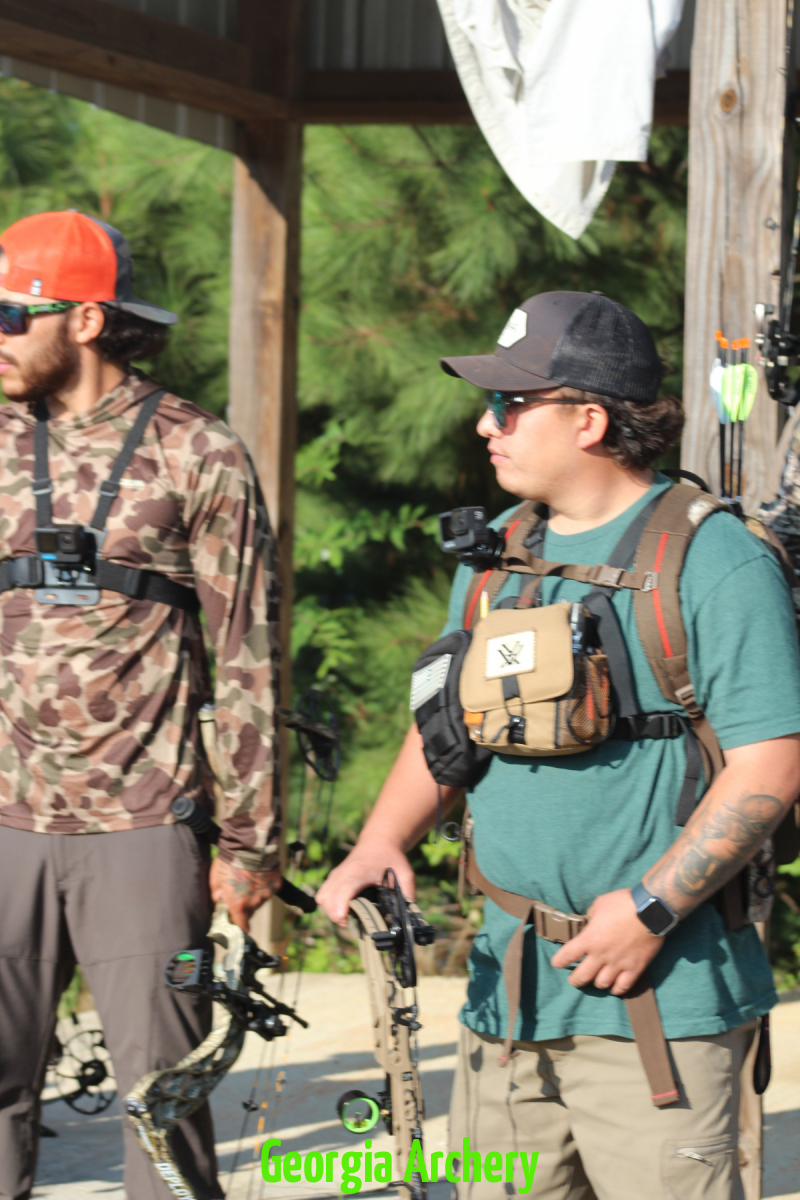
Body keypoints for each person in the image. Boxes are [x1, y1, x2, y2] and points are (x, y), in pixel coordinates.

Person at [317, 291, 800, 1199]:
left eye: (510, 403)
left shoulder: (714, 559)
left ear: (589, 420)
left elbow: (771, 766)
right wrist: (381, 840)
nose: (484, 423)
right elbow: (447, 727)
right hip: (504, 1003)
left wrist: (650, 909)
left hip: (661, 1005)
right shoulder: (495, 555)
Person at [0, 211, 281, 1200]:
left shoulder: (196, 452)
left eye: (10, 314)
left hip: (142, 829)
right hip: (4, 823)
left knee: (161, 1101)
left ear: (84, 319)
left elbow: (249, 656)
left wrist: (250, 844)